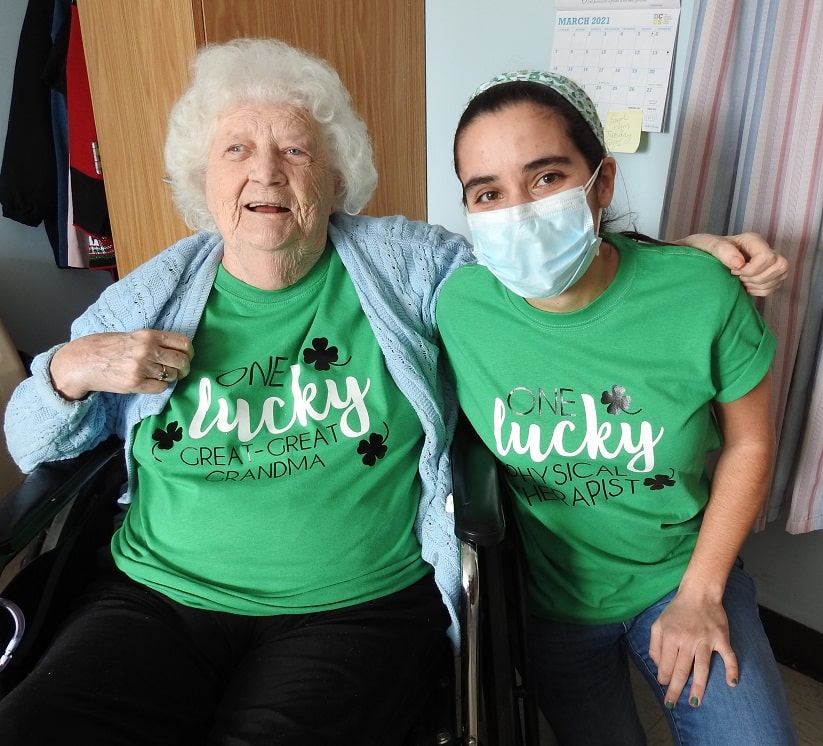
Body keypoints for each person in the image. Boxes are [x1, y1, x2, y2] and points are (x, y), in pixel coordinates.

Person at [0, 39, 787, 744]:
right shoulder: (155, 293)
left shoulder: (404, 267)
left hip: (348, 605)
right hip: (157, 596)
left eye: (295, 151)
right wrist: (67, 372)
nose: (264, 172)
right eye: (235, 148)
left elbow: (536, 261)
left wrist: (681, 257)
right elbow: (31, 442)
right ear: (201, 178)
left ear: (337, 174)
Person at [436, 70, 797, 745]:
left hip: (680, 572)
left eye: (545, 178)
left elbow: (749, 443)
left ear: (600, 183)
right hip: (551, 605)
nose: (519, 212)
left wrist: (700, 593)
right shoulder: (458, 308)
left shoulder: (696, 293)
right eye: (488, 192)